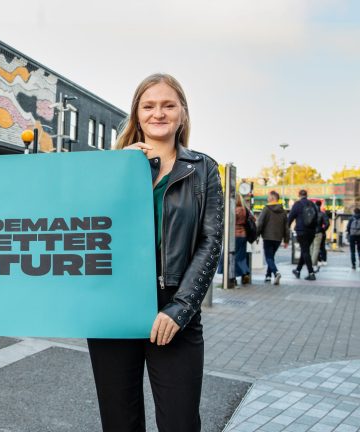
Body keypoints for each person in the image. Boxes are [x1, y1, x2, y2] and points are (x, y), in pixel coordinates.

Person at [87, 73, 223, 432]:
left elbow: (210, 243)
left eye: (168, 105)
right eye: (149, 106)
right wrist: (119, 170)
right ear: (137, 114)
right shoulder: (112, 165)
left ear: (182, 113)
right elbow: (86, 226)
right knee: (119, 421)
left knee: (180, 422)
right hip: (113, 306)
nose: (158, 113)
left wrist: (180, 308)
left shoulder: (203, 169)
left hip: (173, 308)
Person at [256, 190, 289, 285]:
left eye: (268, 197)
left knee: (269, 257)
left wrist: (256, 235)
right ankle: (268, 276)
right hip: (278, 238)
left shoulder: (266, 209)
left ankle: (276, 272)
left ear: (273, 198)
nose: (267, 198)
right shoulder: (283, 211)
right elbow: (286, 227)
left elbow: (260, 223)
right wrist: (286, 240)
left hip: (267, 237)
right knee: (271, 257)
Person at [287, 189, 317, 280]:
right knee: (305, 250)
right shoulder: (312, 204)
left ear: (299, 195)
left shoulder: (297, 204)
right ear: (307, 195)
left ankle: (311, 273)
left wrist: (286, 229)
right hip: (311, 231)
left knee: (305, 251)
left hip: (301, 231)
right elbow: (316, 217)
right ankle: (298, 270)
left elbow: (290, 217)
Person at [234, 194, 254, 285]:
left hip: (234, 235)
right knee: (241, 256)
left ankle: (233, 276)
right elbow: (253, 219)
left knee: (232, 256)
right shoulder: (245, 210)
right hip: (243, 235)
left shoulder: (234, 210)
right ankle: (245, 273)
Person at [310, 200, 329, 271]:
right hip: (319, 233)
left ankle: (311, 262)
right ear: (320, 205)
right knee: (316, 248)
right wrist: (323, 230)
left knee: (311, 248)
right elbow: (327, 224)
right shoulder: (322, 214)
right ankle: (312, 263)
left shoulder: (311, 213)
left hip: (311, 232)